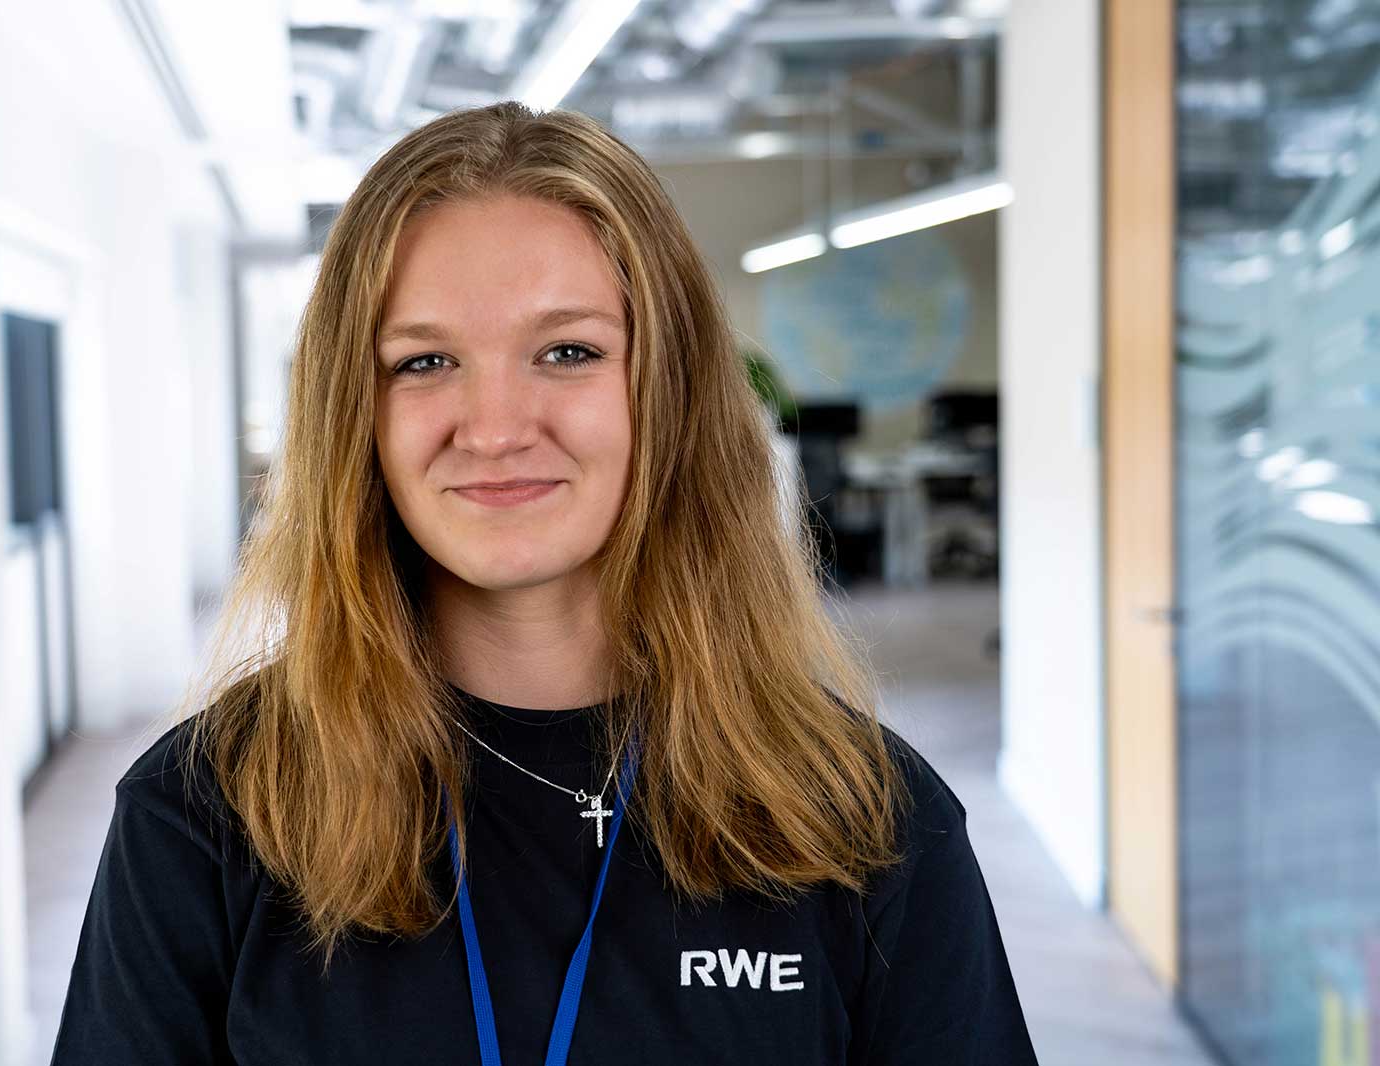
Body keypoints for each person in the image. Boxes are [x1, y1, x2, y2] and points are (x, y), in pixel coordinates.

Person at [50, 101, 1037, 1065]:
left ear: (668, 391)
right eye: (425, 360)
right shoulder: (207, 812)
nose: (493, 427)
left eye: (567, 351)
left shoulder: (864, 815)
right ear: (353, 412)